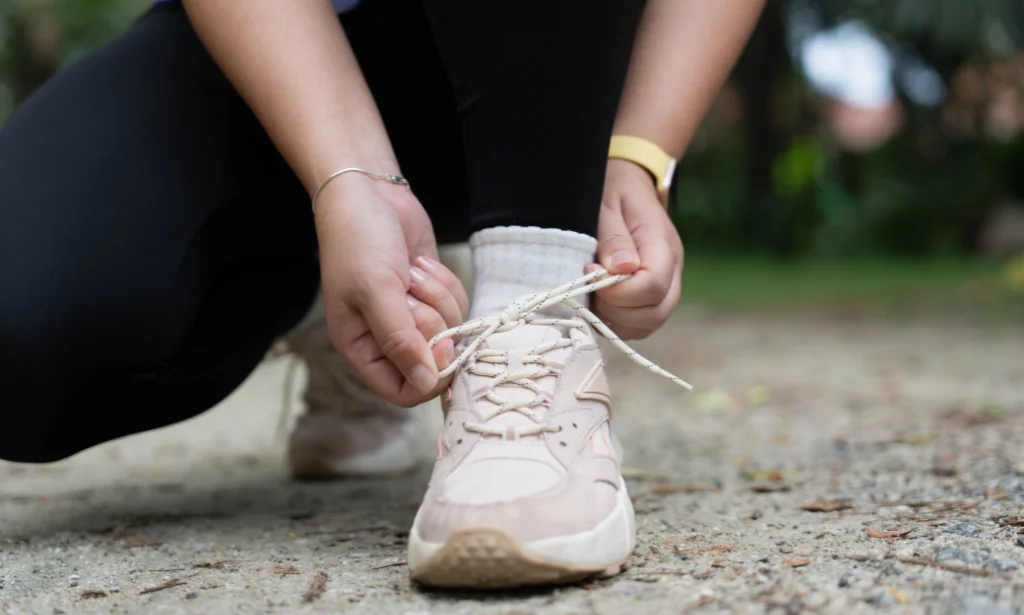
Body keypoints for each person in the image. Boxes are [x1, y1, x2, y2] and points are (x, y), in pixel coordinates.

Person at [0, 0, 763, 588]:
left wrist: (635, 154)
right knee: (17, 343)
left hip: (554, 60)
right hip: (278, 49)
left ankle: (531, 306)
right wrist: (348, 178)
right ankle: (364, 308)